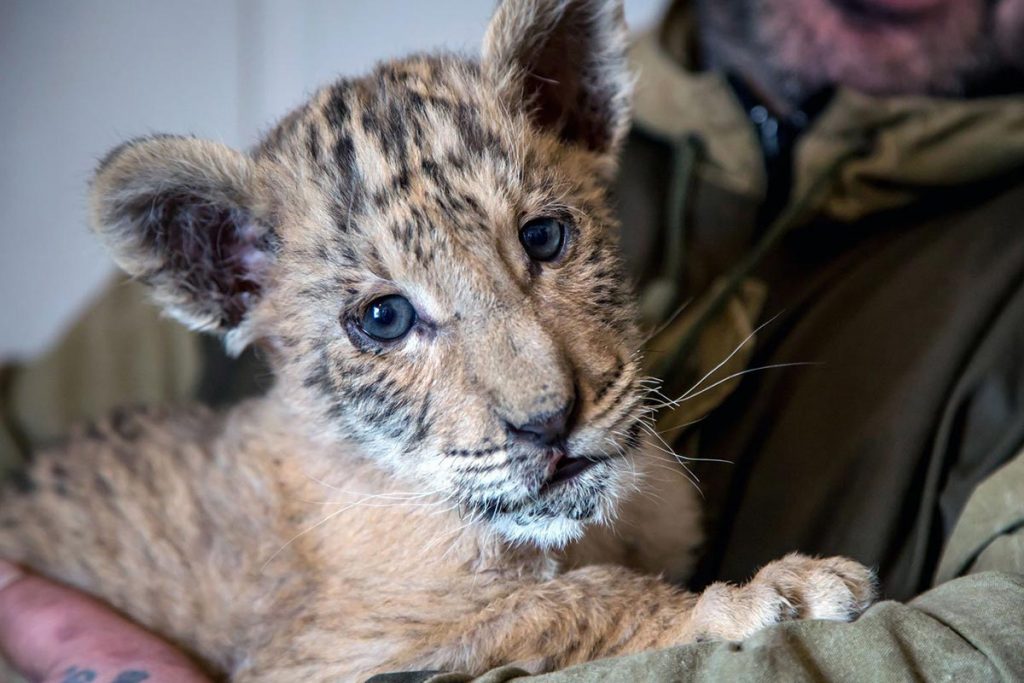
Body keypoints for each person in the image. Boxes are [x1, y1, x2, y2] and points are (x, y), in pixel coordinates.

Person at [2, 0, 1023, 680]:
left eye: (543, 239)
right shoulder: (340, 501)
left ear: (576, 103)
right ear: (226, 276)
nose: (540, 395)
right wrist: (635, 615)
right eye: (384, 317)